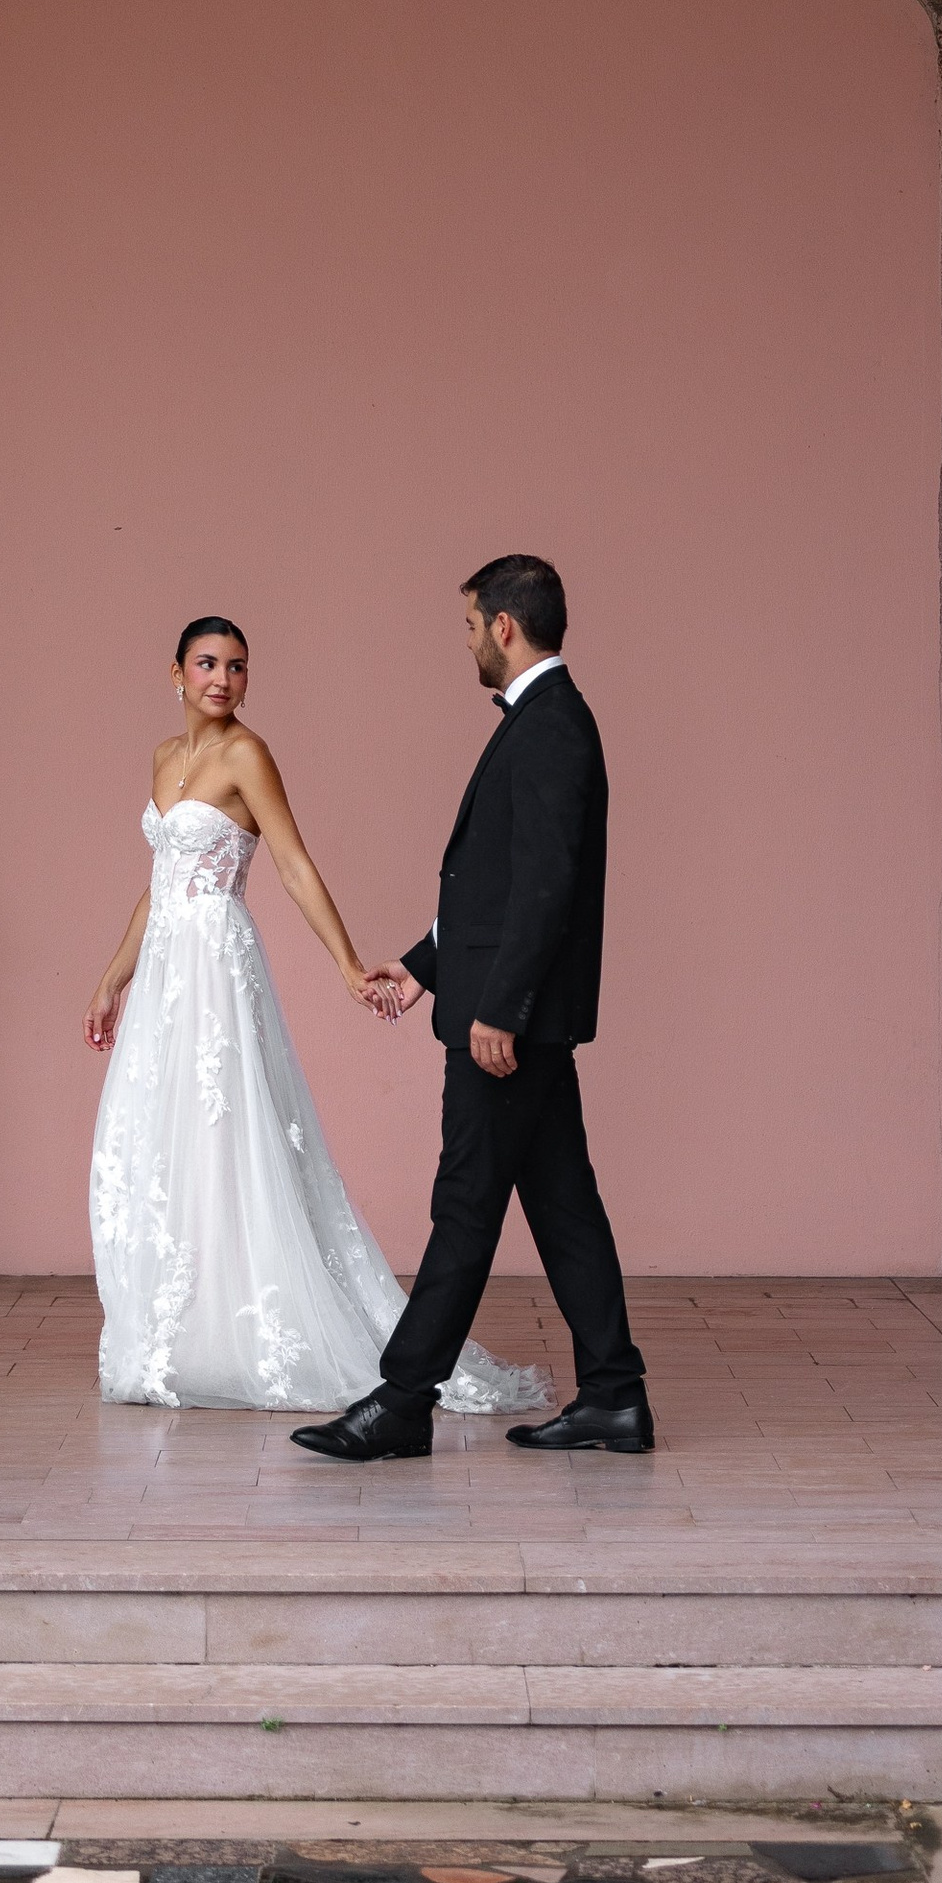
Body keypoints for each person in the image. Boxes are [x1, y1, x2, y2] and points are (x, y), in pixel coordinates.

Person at [85, 615, 550, 1415]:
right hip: (165, 972)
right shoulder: (164, 760)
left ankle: (256, 1335)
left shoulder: (246, 755)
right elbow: (159, 884)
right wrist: (111, 977)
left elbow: (294, 862)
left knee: (229, 1132)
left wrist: (345, 965)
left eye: (236, 666)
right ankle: (182, 1335)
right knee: (160, 1141)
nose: (222, 680)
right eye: (206, 664)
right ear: (175, 674)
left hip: (216, 968)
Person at [292, 554, 652, 1459]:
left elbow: (545, 891)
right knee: (565, 1208)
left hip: (507, 1029)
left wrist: (502, 1009)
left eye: (467, 626)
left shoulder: (553, 728)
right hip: (506, 1008)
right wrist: (423, 967)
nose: (465, 643)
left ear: (502, 626)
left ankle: (402, 1401)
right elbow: (488, 889)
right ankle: (613, 1395)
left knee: (464, 1206)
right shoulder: (542, 723)